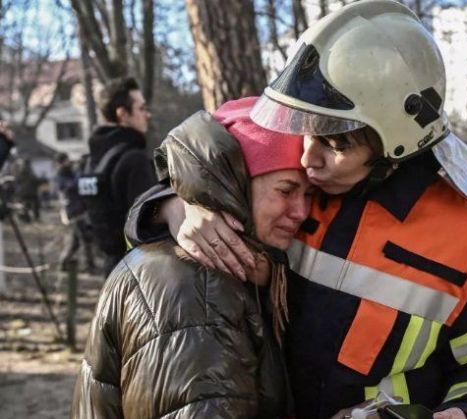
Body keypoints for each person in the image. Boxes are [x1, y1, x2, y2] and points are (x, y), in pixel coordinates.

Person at [125, 2, 467, 418]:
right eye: (307, 129)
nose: (307, 158)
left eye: (336, 145)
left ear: (393, 154)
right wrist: (177, 206)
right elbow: (164, 211)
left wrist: (459, 415)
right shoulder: (296, 191)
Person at [72, 97, 311, 418]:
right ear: (236, 183)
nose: (301, 212)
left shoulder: (234, 264)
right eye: (285, 190)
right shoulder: (200, 286)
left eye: (308, 195)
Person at [83, 76, 156, 277]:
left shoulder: (91, 161)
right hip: (142, 273)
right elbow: (148, 229)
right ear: (123, 114)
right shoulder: (134, 160)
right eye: (141, 109)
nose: (147, 115)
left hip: (111, 272)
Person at [55, 153, 96, 273]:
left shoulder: (71, 172)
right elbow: (72, 186)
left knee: (75, 242)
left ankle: (63, 262)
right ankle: (90, 266)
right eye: (67, 161)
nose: (70, 163)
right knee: (85, 239)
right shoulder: (61, 175)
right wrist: (80, 172)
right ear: (61, 162)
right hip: (73, 211)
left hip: (80, 209)